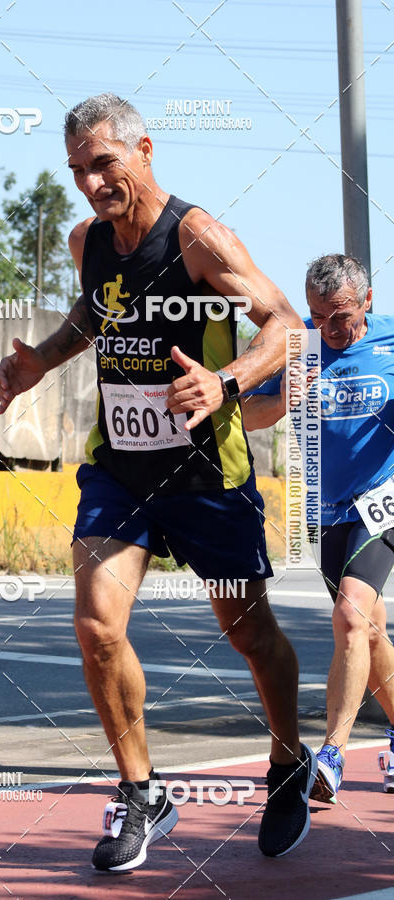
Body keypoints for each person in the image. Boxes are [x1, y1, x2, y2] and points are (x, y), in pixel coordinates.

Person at [0, 92, 317, 870]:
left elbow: (285, 324)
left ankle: (287, 763)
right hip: (121, 468)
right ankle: (143, 793)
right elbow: (92, 316)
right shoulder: (88, 241)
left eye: (104, 163)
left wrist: (227, 382)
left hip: (208, 470)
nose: (92, 184)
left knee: (248, 634)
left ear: (144, 150)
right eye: (77, 170)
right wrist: (41, 358)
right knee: (97, 623)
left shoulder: (199, 238)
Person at [243, 253, 394, 802]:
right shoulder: (296, 344)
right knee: (366, 630)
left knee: (350, 614)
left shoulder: (391, 341)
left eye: (341, 315)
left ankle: (330, 755)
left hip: (382, 501)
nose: (329, 329)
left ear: (368, 302)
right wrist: (285, 398)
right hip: (324, 510)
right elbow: (240, 414)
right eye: (317, 315)